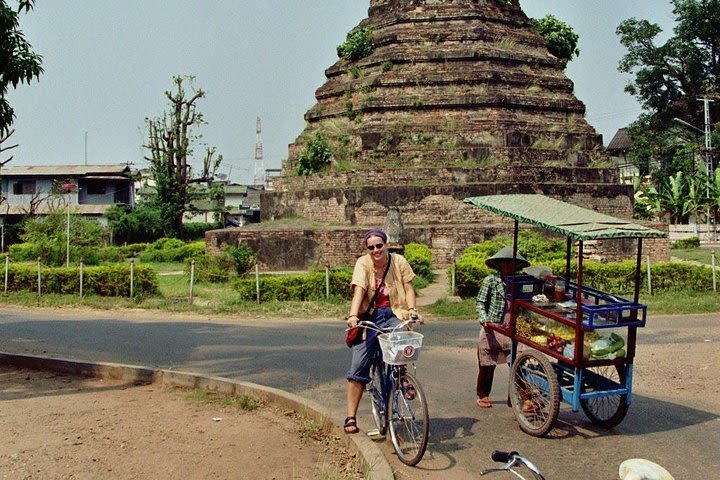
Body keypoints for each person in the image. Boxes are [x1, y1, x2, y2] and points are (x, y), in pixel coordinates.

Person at [343, 228, 422, 434]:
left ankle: (401, 377)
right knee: (359, 365)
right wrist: (353, 316)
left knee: (403, 340)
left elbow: (408, 287)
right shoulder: (363, 263)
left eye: (379, 245)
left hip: (394, 311)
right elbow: (359, 290)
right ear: (367, 249)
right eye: (371, 247)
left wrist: (412, 310)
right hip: (370, 315)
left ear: (386, 244)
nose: (375, 250)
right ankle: (351, 416)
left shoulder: (398, 262)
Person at [475, 246, 529, 409]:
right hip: (493, 327)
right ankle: (483, 395)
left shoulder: (519, 281)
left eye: (511, 263)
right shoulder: (490, 281)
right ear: (499, 265)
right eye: (505, 263)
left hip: (512, 328)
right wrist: (484, 319)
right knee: (487, 365)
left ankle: (520, 398)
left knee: (517, 364)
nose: (508, 266)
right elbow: (480, 302)